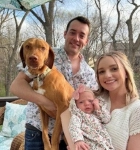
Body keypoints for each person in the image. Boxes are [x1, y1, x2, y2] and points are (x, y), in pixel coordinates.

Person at [10, 16, 98, 150]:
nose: (76, 38)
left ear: (86, 41)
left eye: (82, 35)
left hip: (70, 137)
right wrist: (45, 102)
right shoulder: (44, 53)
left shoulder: (90, 73)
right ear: (65, 34)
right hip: (37, 132)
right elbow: (16, 86)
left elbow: (90, 108)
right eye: (72, 32)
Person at [61, 51, 140, 150]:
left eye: (114, 69)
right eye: (101, 71)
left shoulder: (139, 110)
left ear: (126, 72)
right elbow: (68, 116)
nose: (107, 75)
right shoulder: (92, 99)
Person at [69, 84, 114, 150]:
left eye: (90, 101)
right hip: (90, 144)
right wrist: (78, 140)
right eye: (81, 102)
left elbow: (106, 119)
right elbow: (74, 127)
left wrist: (98, 108)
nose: (86, 104)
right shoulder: (78, 116)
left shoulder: (97, 113)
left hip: (104, 143)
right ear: (76, 105)